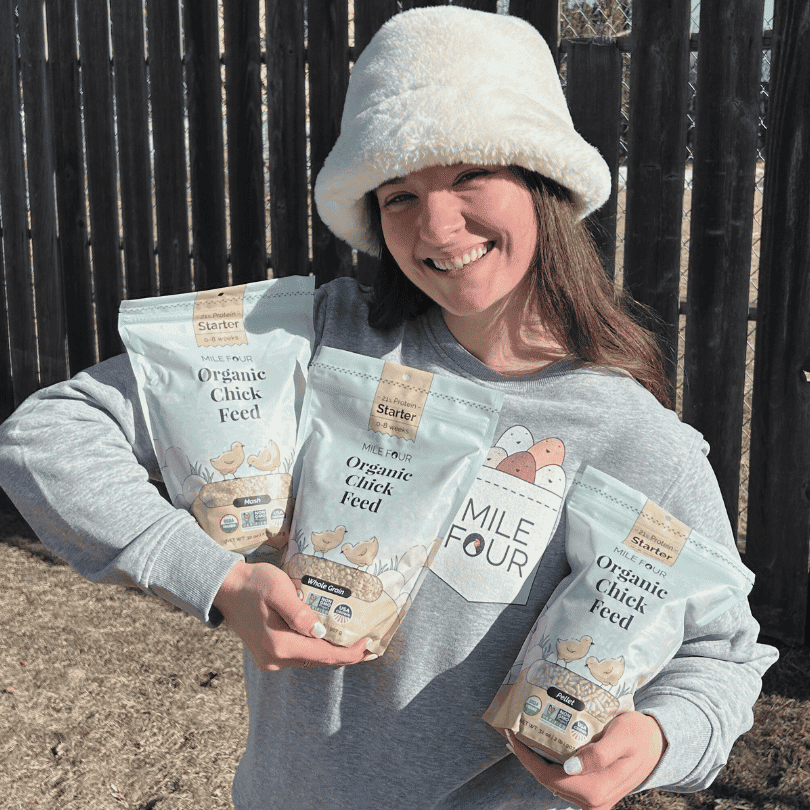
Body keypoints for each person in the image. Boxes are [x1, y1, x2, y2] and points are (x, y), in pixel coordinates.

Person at [0, 7, 777, 810]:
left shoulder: (636, 437)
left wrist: (658, 740)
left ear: (543, 182)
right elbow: (48, 438)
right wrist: (220, 580)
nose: (436, 227)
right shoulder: (312, 343)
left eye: (470, 175)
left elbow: (720, 654)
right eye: (400, 194)